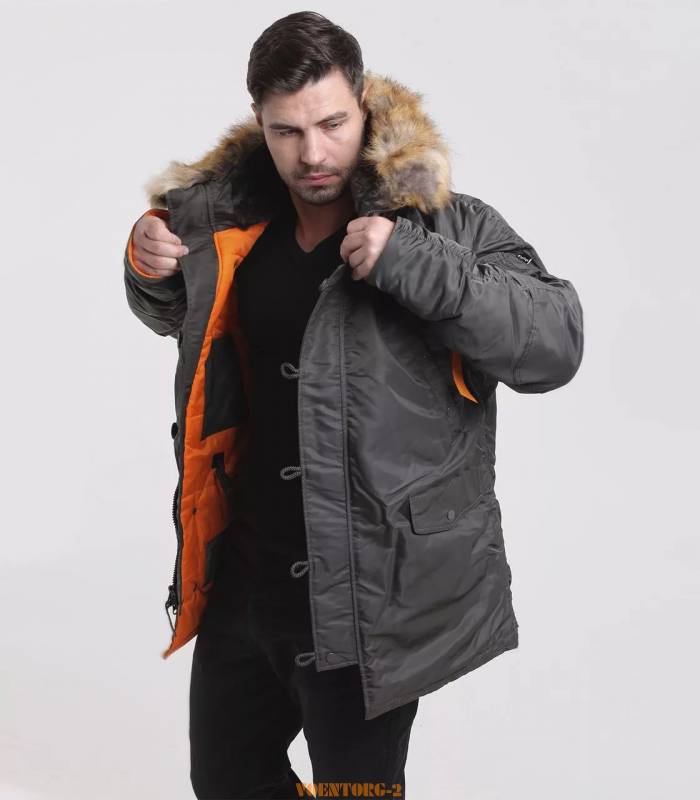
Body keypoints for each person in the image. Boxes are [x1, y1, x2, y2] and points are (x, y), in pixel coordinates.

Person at [123, 11, 584, 800]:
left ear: (364, 104)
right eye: (287, 131)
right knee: (224, 781)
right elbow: (184, 322)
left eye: (332, 124)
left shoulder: (446, 223)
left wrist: (414, 263)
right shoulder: (229, 223)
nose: (313, 153)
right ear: (259, 121)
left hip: (370, 596)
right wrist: (149, 270)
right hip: (245, 577)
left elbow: (554, 342)